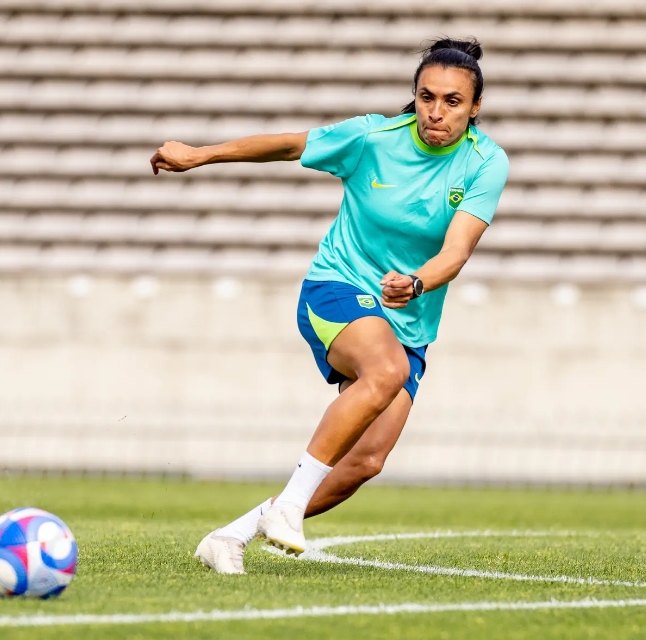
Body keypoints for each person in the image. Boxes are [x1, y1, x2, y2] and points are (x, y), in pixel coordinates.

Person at [150, 38, 509, 574]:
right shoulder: (372, 138)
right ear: (414, 96)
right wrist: (202, 154)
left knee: (366, 460)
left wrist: (413, 283)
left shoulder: (486, 162)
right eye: (427, 96)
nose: (437, 112)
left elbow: (456, 252)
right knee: (385, 370)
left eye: (453, 102)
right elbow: (290, 145)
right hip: (337, 287)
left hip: (407, 312)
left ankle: (233, 534)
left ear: (475, 107)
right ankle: (289, 508)